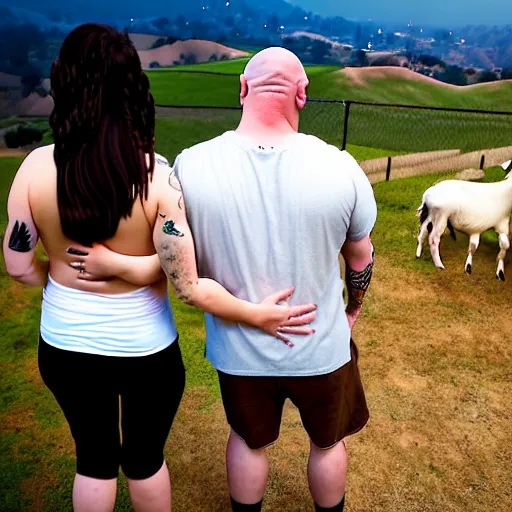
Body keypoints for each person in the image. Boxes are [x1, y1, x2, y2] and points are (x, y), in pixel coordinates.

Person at [2, 27, 316, 512]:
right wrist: (127, 267)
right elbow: (181, 276)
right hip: (146, 350)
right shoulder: (157, 175)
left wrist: (66, 276)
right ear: (132, 85)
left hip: (65, 345)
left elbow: (18, 265)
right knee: (146, 460)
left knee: (93, 461)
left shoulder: (34, 167)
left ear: (63, 82)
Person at [150, 47, 378, 511]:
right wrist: (353, 305)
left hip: (239, 351)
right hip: (321, 345)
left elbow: (176, 262)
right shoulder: (341, 167)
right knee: (328, 445)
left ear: (242, 88)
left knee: (247, 441)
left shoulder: (189, 167)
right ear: (302, 93)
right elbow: (360, 258)